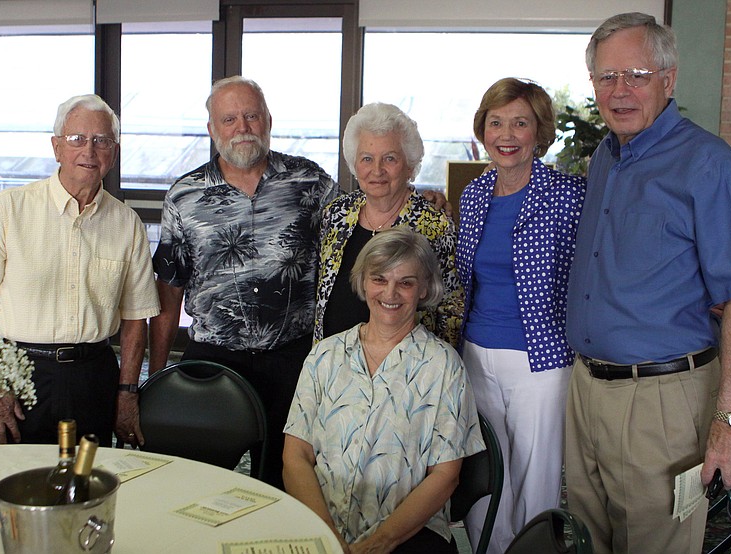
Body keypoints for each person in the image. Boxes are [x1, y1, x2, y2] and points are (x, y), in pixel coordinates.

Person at [565, 13, 731, 554]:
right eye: (607, 77)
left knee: (657, 544)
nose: (620, 91)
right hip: (586, 388)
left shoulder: (709, 165)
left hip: (662, 400)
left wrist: (730, 420)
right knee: (588, 535)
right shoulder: (606, 156)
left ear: (669, 79)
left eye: (636, 74)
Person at [149, 76, 340, 489]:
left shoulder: (310, 181)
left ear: (268, 120)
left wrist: (416, 199)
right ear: (213, 129)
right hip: (213, 360)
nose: (243, 127)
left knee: (284, 485)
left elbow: (360, 225)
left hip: (293, 360)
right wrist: (157, 377)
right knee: (194, 482)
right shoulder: (184, 195)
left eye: (251, 115)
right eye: (230, 118)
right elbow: (169, 291)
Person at [0, 94, 160, 447]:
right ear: (56, 147)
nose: (88, 151)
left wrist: (127, 394)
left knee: (86, 487)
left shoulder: (127, 224)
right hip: (14, 374)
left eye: (101, 141)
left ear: (113, 152)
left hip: (93, 378)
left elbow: (137, 319)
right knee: (3, 483)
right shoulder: (8, 210)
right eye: (76, 139)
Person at [284, 227, 484, 553]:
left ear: (424, 289)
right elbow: (295, 456)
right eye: (379, 279)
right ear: (363, 282)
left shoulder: (443, 366)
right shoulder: (325, 355)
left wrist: (379, 543)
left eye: (405, 282)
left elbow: (445, 476)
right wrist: (328, 536)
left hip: (407, 535)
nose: (390, 293)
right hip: (320, 522)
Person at [455, 78, 586, 552]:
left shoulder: (569, 194)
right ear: (483, 130)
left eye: (520, 123)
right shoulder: (474, 195)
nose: (506, 134)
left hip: (542, 357)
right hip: (475, 352)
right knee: (486, 471)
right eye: (496, 122)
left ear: (539, 132)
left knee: (536, 477)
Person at [314, 102, 462, 346]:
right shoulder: (335, 215)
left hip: (408, 370)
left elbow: (452, 309)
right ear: (354, 164)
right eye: (367, 159)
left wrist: (437, 371)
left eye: (389, 158)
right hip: (335, 367)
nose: (377, 170)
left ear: (410, 165)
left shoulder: (434, 224)